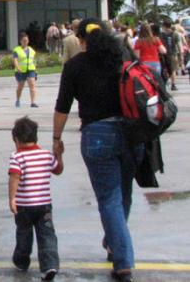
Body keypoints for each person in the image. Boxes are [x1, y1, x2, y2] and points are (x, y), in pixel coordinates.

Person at [53, 19, 142, 282]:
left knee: (109, 199)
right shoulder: (122, 56)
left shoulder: (75, 66)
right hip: (131, 133)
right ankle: (115, 241)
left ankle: (123, 262)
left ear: (81, 40)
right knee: (123, 196)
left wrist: (56, 139)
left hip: (97, 134)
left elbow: (62, 106)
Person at [9, 116, 62, 281]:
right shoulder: (46, 155)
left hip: (24, 205)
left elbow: (14, 178)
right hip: (44, 205)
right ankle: (49, 265)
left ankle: (21, 260)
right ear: (35, 137)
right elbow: (58, 170)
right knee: (47, 236)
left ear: (16, 140)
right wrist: (59, 155)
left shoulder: (17, 157)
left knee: (24, 234)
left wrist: (12, 199)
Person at [13, 32, 39, 108]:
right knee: (20, 87)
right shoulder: (17, 50)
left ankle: (33, 102)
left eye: (27, 40)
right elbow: (15, 60)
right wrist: (18, 68)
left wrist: (36, 70)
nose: (25, 42)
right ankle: (17, 100)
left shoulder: (31, 50)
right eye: (24, 40)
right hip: (21, 71)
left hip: (31, 70)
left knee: (32, 85)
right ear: (20, 41)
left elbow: (33, 61)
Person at [160, 20, 178, 91]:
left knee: (163, 68)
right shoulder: (175, 34)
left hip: (163, 54)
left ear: (164, 26)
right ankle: (173, 85)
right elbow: (178, 44)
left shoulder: (161, 34)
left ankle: (164, 84)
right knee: (173, 70)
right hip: (172, 53)